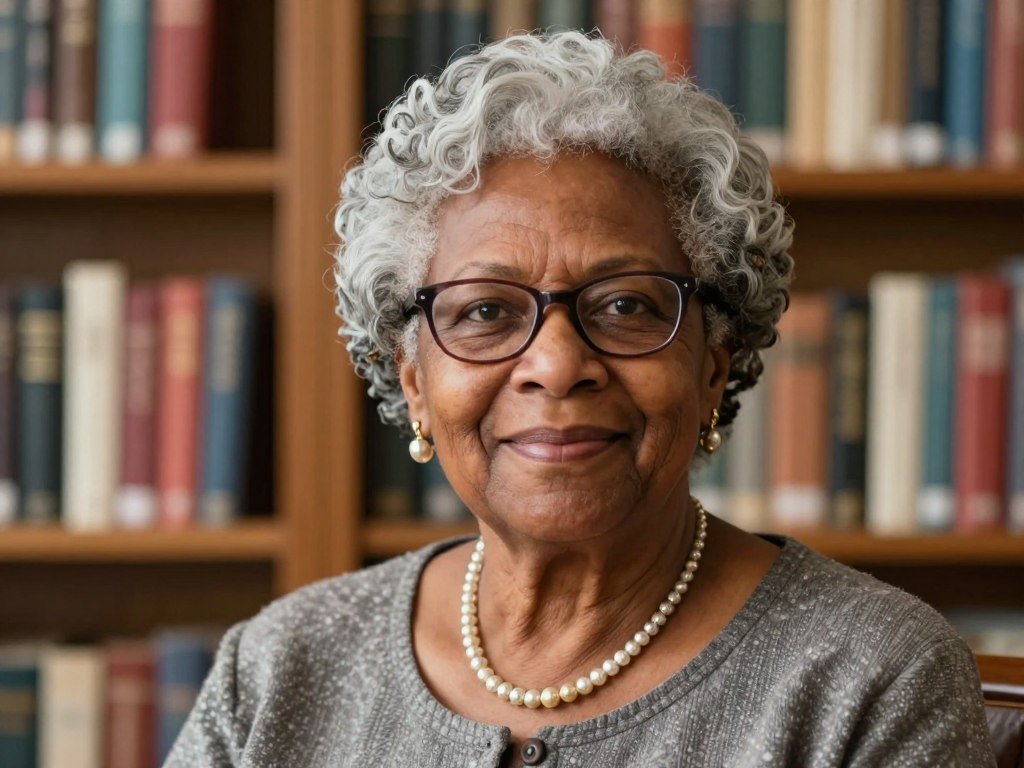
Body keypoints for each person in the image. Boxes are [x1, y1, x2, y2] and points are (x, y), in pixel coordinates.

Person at [165, 31, 996, 767]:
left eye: (627, 305)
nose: (557, 367)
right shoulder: (281, 667)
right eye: (487, 312)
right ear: (415, 380)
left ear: (714, 361)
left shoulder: (873, 675)